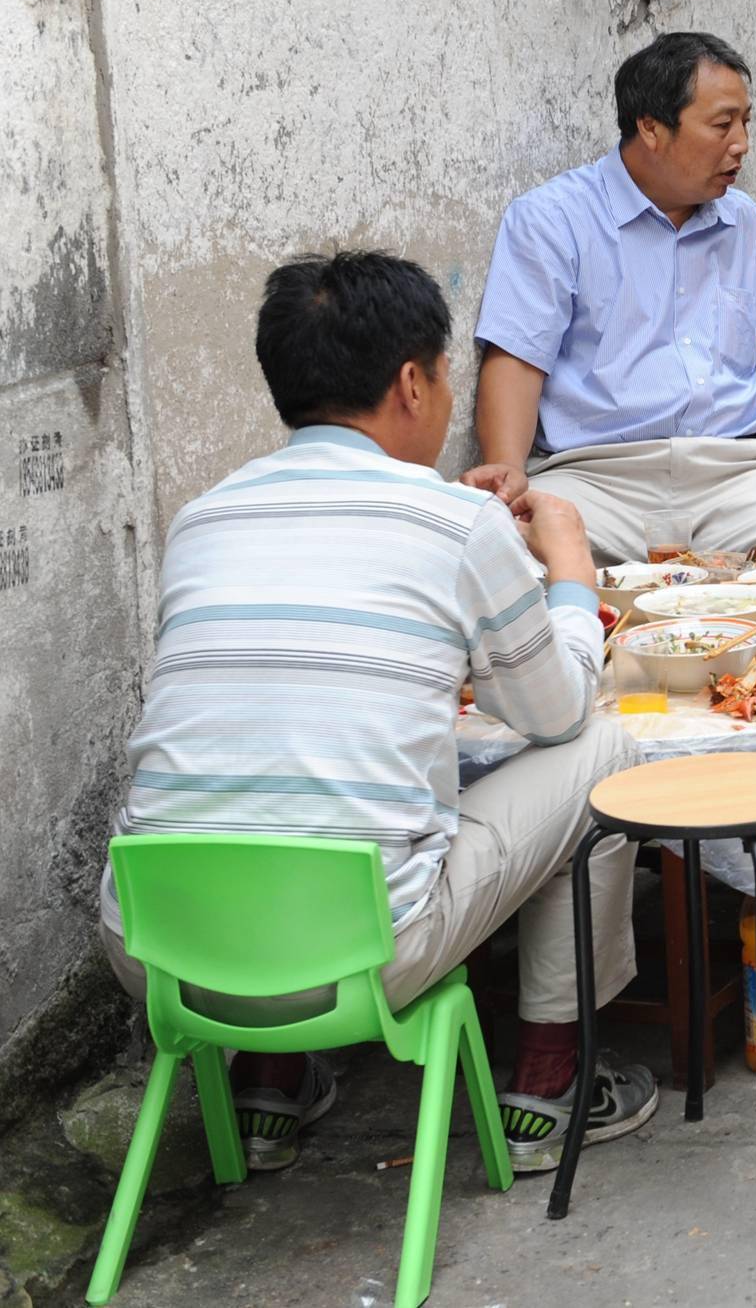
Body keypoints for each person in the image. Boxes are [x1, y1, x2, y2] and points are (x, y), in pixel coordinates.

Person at [97, 252, 657, 1175]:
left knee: (288, 776)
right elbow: (554, 713)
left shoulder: (201, 518)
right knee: (603, 746)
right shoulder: (452, 523)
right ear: (411, 382)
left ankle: (270, 1079)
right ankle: (552, 1081)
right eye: (443, 374)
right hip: (356, 949)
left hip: (157, 952)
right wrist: (566, 574)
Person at [471, 32, 756, 565]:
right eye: (722, 124)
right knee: (522, 564)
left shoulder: (744, 223)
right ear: (650, 126)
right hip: (599, 480)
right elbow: (515, 355)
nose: (741, 143)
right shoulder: (553, 220)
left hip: (738, 475)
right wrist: (508, 470)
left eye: (746, 122)